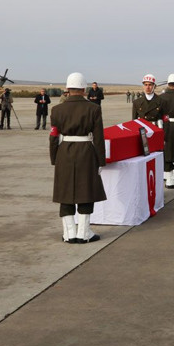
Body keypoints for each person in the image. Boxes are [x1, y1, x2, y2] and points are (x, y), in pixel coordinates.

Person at [49, 72, 106, 244]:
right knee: (85, 191)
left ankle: (69, 233)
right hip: (86, 152)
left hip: (64, 152)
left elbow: (53, 136)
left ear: (67, 89)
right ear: (84, 89)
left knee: (65, 191)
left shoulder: (57, 110)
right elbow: (98, 137)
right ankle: (84, 233)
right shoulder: (93, 109)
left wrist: (54, 158)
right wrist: (101, 160)